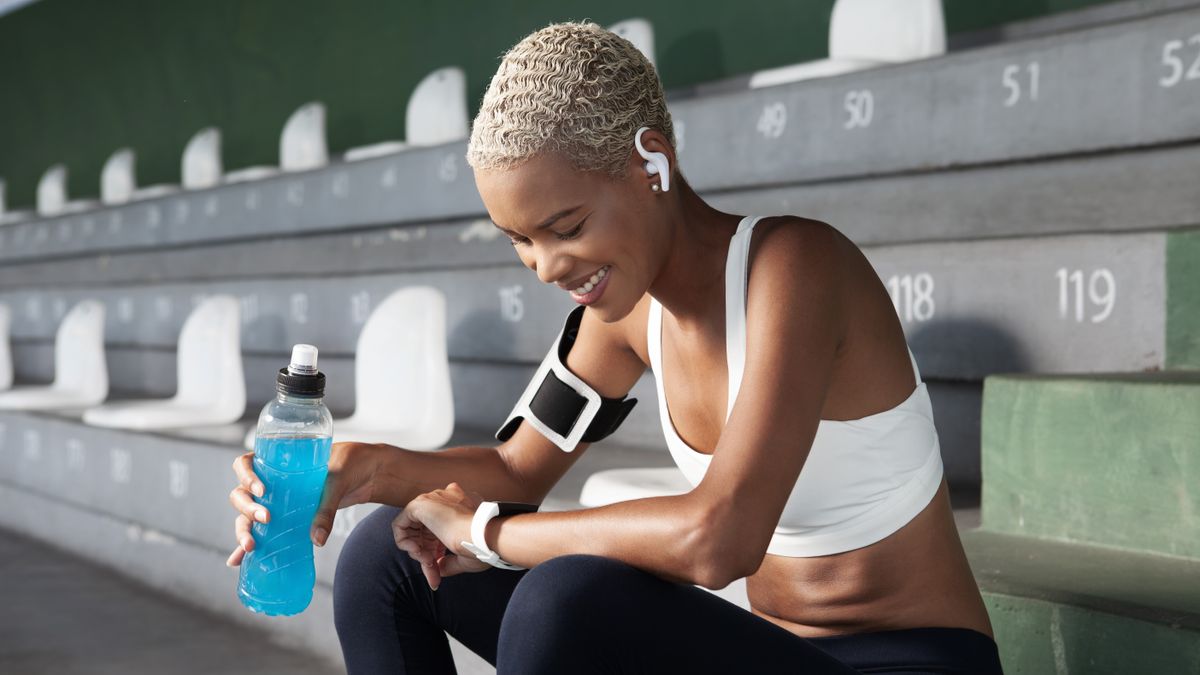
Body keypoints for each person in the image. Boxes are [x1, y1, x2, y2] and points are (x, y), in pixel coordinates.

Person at [227, 21, 1003, 675]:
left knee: (563, 601)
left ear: (651, 161)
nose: (547, 267)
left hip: (912, 660)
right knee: (387, 555)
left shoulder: (796, 269)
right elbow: (514, 468)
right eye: (518, 241)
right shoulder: (623, 316)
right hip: (769, 652)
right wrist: (368, 469)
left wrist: (489, 535)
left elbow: (719, 537)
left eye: (565, 228)